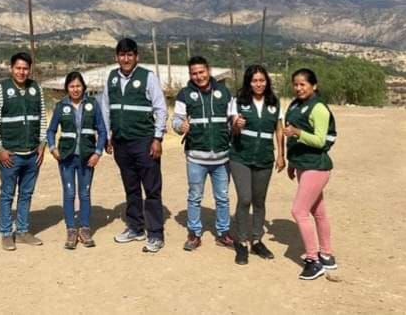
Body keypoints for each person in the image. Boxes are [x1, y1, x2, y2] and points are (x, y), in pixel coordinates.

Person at [99, 38, 168, 253]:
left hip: (144, 142)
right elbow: (106, 108)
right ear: (116, 57)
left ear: (136, 56)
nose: (126, 59)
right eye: (122, 55)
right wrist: (107, 136)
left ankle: (155, 233)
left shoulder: (148, 77)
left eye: (130, 54)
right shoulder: (111, 77)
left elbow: (160, 109)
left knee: (152, 188)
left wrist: (157, 138)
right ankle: (136, 227)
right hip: (121, 142)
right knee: (131, 187)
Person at [173, 56, 235, 251]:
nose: (198, 76)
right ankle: (194, 233)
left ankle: (223, 233)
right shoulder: (184, 94)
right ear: (190, 75)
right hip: (196, 157)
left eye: (201, 72)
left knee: (223, 197)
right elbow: (176, 121)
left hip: (222, 157)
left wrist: (238, 124)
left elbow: (233, 119)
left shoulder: (224, 92)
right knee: (195, 196)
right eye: (194, 73)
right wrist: (180, 126)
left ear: (208, 70)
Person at [0, 52, 47, 251]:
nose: (22, 72)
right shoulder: (0, 90)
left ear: (30, 69)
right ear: (11, 68)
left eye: (25, 68)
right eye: (18, 68)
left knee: (26, 194)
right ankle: (6, 233)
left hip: (32, 154)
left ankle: (22, 231)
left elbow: (42, 119)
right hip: (10, 155)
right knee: (7, 194)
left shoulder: (36, 89)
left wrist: (42, 144)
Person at [283, 68, 338, 280]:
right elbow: (291, 136)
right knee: (318, 211)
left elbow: (320, 141)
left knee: (299, 211)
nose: (298, 88)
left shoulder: (319, 109)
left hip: (317, 165)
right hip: (303, 164)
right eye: (295, 84)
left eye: (303, 84)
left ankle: (313, 260)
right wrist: (291, 162)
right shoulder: (296, 104)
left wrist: (298, 133)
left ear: (313, 85)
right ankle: (327, 255)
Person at [229, 65, 285, 265]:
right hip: (240, 157)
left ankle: (257, 239)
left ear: (266, 81)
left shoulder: (274, 103)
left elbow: (279, 129)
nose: (258, 84)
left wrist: (281, 155)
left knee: (259, 201)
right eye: (254, 81)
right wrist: (236, 125)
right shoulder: (238, 101)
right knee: (245, 198)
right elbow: (233, 128)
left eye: (262, 80)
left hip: (264, 158)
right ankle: (242, 242)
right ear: (248, 82)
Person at [47, 72, 108, 249]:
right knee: (69, 194)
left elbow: (102, 131)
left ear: (84, 87)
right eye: (72, 86)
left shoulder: (92, 105)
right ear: (67, 88)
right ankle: (71, 230)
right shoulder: (61, 106)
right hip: (66, 157)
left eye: (78, 86)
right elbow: (51, 130)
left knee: (85, 193)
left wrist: (97, 153)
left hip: (87, 157)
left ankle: (85, 228)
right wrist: (53, 148)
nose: (75, 89)